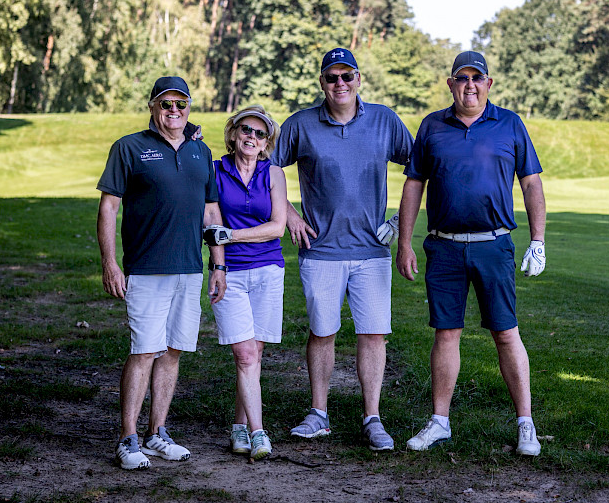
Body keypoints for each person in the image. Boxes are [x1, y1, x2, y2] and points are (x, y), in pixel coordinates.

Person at [396, 51, 547, 456]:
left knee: (505, 332)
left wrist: (537, 240)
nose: (469, 85)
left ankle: (526, 424)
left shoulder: (510, 124)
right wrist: (404, 241)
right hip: (443, 246)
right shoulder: (432, 126)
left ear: (488, 83)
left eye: (476, 78)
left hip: (494, 246)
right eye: (461, 78)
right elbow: (414, 185)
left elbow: (531, 184)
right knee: (446, 333)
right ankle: (440, 422)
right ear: (450, 84)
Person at [271, 47, 413, 451]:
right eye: (332, 77)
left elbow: (420, 168)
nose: (340, 84)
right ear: (322, 82)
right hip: (321, 251)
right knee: (322, 332)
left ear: (358, 79)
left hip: (372, 252)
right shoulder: (300, 124)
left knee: (373, 335)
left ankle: (372, 418)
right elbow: (268, 167)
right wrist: (290, 217)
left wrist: (399, 225)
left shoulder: (384, 120)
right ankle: (319, 414)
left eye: (347, 76)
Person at [97, 76, 227, 470]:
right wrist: (110, 262)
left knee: (172, 352)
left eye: (181, 104)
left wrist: (218, 263)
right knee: (143, 351)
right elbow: (108, 208)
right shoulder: (129, 148)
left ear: (189, 107)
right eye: (166, 104)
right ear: (153, 106)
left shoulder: (200, 151)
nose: (174, 111)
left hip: (189, 270)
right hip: (147, 269)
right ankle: (127, 439)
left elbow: (210, 212)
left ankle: (157, 433)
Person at [207, 105, 287, 461]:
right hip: (233, 274)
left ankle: (239, 427)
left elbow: (277, 227)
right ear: (233, 133)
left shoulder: (274, 174)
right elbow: (212, 226)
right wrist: (218, 265)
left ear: (266, 141)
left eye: (259, 133)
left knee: (254, 356)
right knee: (244, 354)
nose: (251, 137)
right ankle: (259, 433)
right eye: (245, 130)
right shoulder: (215, 171)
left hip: (269, 269)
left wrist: (233, 234)